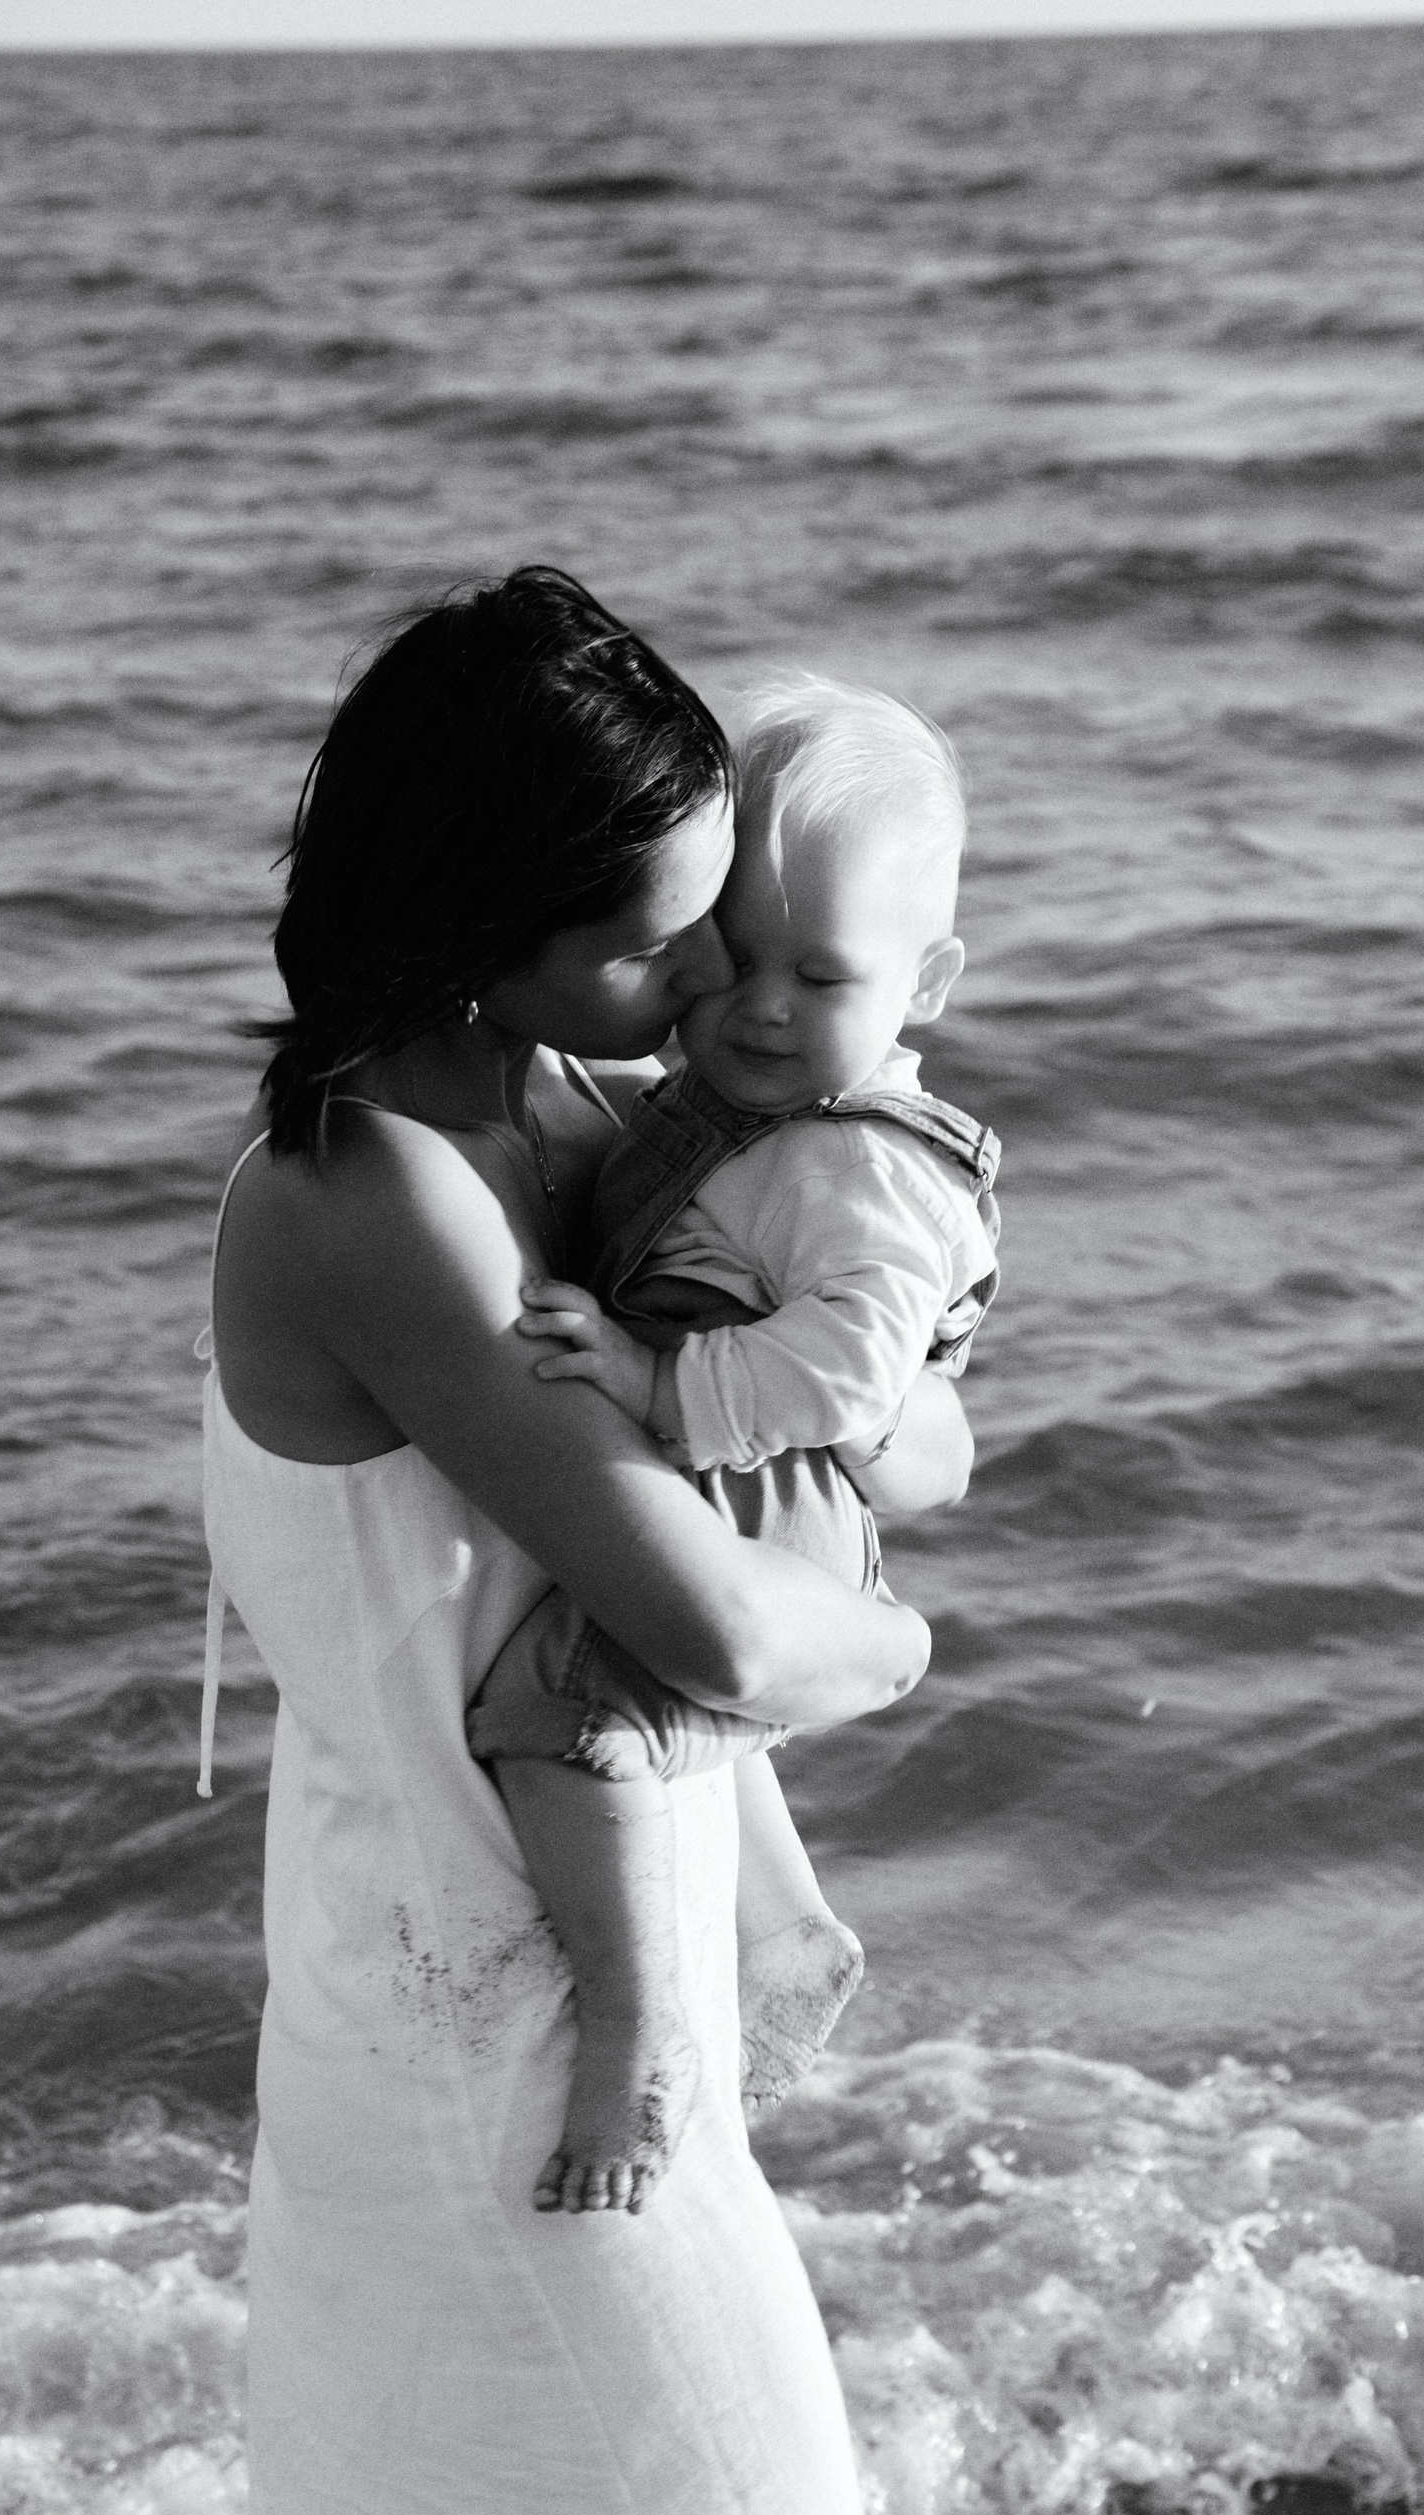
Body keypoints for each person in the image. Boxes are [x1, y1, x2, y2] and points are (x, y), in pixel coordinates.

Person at [150, 568, 974, 2515]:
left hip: (604, 2004)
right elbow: (715, 1632)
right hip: (485, 2073)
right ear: (477, 924)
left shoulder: (579, 1105)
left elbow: (920, 1431)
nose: (709, 985)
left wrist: (868, 1414)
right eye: (657, 941)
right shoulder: (369, 1201)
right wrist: (891, 1647)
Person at [467, 673, 998, 2218]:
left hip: (775, 1486)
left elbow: (848, 1376)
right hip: (733, 1461)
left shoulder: (865, 1170)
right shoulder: (735, 1105)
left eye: (819, 975)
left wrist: (653, 1379)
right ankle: (779, 1929)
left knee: (570, 1720)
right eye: (731, 957)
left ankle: (642, 2039)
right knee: (619, 1707)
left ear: (927, 983)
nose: (762, 1007)